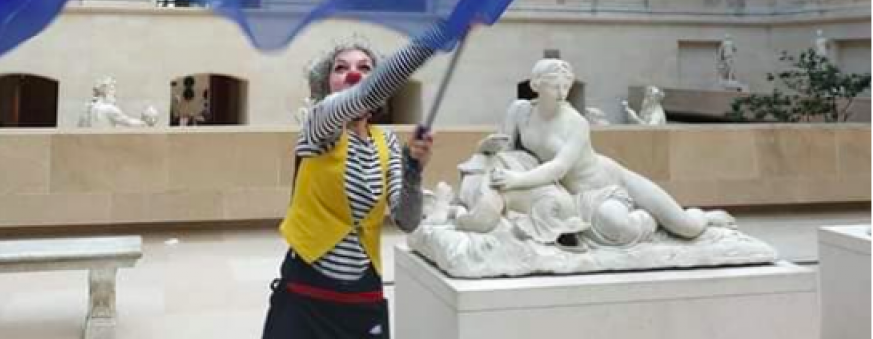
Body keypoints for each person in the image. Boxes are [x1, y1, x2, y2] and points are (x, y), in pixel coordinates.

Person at [261, 26, 452, 339]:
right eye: (341, 67)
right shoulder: (319, 123)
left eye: (365, 68)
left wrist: (414, 170)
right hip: (306, 294)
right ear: (326, 83)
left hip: (363, 298)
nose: (353, 73)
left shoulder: (386, 141)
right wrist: (440, 34)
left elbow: (407, 219)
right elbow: (363, 94)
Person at [486, 59, 732, 244]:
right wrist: (484, 151)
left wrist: (517, 179)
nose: (562, 93)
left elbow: (559, 167)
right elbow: (504, 149)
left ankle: (699, 217)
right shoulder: (519, 111)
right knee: (617, 226)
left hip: (605, 184)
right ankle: (645, 219)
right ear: (535, 85)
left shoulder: (575, 123)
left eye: (566, 87)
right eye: (555, 87)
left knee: (687, 226)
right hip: (568, 196)